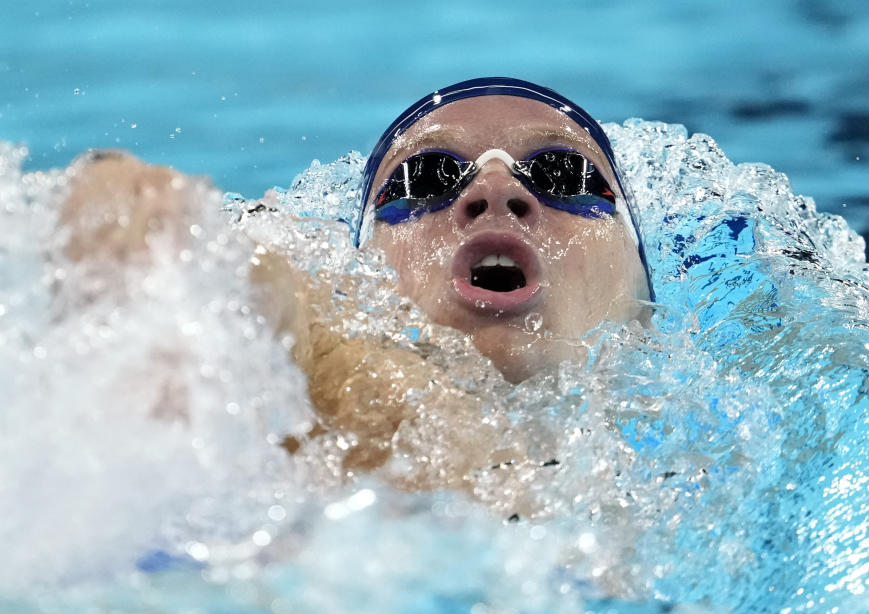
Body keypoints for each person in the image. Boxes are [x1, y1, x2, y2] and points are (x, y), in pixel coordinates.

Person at [58, 78, 657, 476]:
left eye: (563, 174)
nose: (494, 191)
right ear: (361, 273)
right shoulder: (318, 399)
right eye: (423, 178)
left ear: (645, 295)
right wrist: (151, 230)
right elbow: (261, 298)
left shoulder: (741, 435)